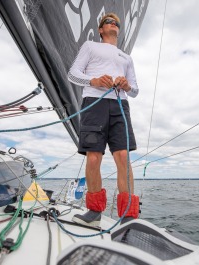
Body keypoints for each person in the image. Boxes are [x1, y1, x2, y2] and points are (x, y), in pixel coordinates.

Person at [68, 13, 140, 227]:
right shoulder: (90, 46)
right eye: (108, 22)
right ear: (100, 29)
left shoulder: (126, 58)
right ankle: (94, 210)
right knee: (93, 158)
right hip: (94, 103)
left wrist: (127, 86)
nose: (113, 24)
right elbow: (73, 74)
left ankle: (128, 215)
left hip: (119, 105)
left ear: (119, 30)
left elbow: (135, 90)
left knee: (123, 157)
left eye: (116, 23)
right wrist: (95, 80)